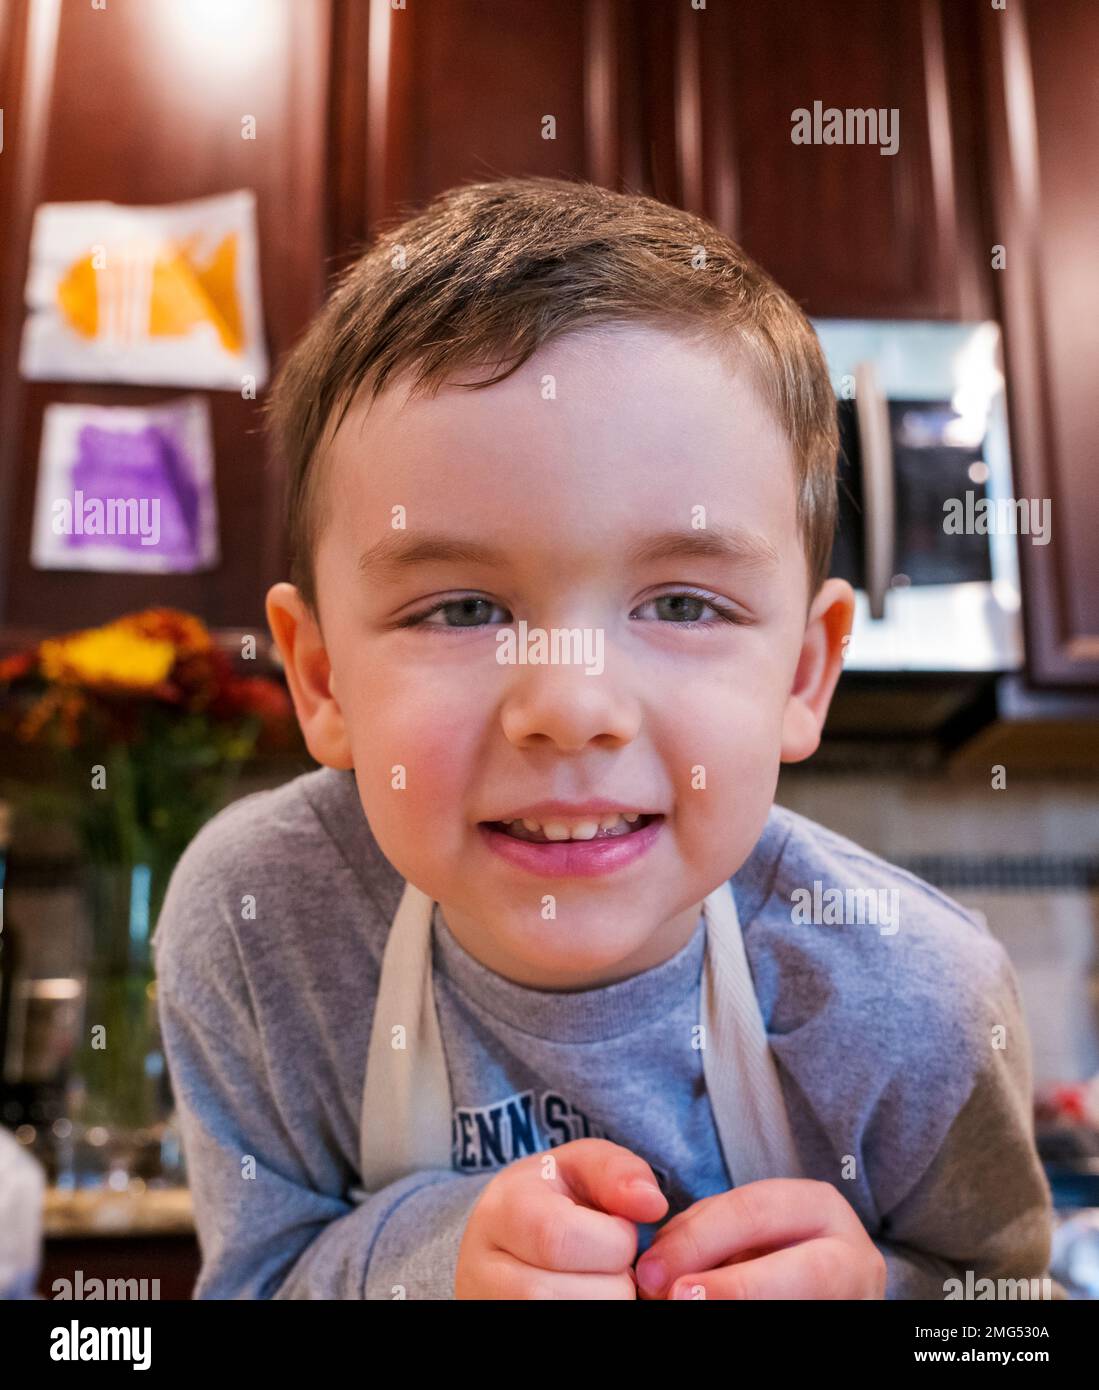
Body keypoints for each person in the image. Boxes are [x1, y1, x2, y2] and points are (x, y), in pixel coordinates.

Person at [152, 176, 1061, 1300]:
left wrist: (882, 1292)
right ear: (323, 676)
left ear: (805, 671)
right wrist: (434, 1259)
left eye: (681, 604)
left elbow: (1016, 1308)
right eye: (461, 608)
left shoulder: (918, 998)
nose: (572, 705)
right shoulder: (262, 929)